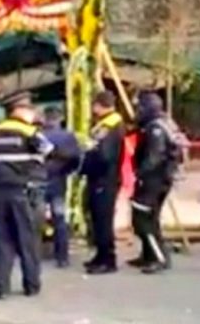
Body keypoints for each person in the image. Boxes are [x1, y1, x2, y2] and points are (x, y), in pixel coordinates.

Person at [0, 91, 53, 299]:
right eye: (30, 109)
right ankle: (31, 284)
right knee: (27, 239)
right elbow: (49, 152)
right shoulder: (30, 132)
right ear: (19, 110)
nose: (33, 113)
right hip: (24, 191)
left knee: (2, 239)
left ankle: (1, 286)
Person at [130, 92, 178, 274]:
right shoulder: (162, 123)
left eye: (140, 108)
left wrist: (139, 173)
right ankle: (148, 255)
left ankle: (159, 257)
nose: (137, 112)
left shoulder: (155, 128)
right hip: (159, 179)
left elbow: (154, 156)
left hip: (154, 180)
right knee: (150, 218)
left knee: (143, 219)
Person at [81, 91, 125, 275]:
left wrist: (89, 164)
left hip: (104, 178)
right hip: (100, 178)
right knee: (97, 218)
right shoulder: (105, 123)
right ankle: (100, 255)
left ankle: (108, 259)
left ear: (99, 105)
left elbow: (104, 155)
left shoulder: (110, 125)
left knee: (103, 220)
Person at [42, 107, 82, 267]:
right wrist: (65, 171)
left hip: (38, 181)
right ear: (60, 119)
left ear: (45, 118)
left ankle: (33, 253)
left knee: (33, 219)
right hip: (58, 181)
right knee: (59, 218)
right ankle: (62, 257)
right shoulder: (68, 136)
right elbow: (76, 160)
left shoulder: (38, 135)